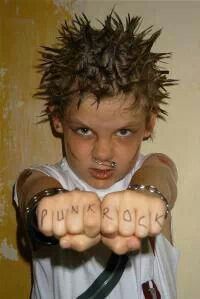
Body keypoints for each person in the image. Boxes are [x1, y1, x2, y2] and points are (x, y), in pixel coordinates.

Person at [14, 12, 179, 299]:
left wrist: (148, 194)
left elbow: (162, 172)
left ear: (149, 124)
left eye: (124, 132)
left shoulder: (149, 173)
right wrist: (46, 206)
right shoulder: (46, 177)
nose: (103, 152)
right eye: (84, 131)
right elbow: (31, 188)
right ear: (58, 120)